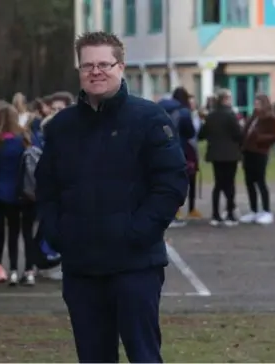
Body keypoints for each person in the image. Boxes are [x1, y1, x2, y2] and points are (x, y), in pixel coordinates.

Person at [35, 31, 188, 363]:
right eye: (87, 65)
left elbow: (171, 184)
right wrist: (57, 232)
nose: (96, 71)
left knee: (144, 356)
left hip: (134, 266)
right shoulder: (61, 126)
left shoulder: (149, 119)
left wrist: (137, 232)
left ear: (121, 66)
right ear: (79, 70)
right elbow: (45, 188)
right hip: (81, 268)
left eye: (104, 63)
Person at [0, 102, 35, 285]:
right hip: (26, 192)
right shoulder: (24, 139)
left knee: (11, 233)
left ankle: (13, 269)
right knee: (28, 233)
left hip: (2, 194)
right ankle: (30, 270)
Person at [198, 89, 242, 226]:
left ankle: (215, 214)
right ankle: (230, 212)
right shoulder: (230, 115)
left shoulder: (211, 116)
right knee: (229, 183)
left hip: (215, 154)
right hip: (230, 154)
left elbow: (201, 134)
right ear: (225, 100)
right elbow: (239, 134)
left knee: (218, 184)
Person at [240, 94, 275, 225]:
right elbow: (246, 131)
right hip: (248, 152)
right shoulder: (253, 116)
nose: (256, 106)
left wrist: (259, 138)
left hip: (260, 152)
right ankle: (253, 210)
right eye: (255, 103)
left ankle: (267, 211)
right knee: (249, 182)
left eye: (258, 103)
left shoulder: (271, 118)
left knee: (260, 181)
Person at [158, 87, 196, 227]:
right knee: (176, 183)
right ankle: (172, 215)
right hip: (178, 149)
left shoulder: (159, 107)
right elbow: (190, 132)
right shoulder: (184, 112)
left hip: (159, 148)